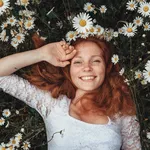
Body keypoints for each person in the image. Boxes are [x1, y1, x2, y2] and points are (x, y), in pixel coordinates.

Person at [0, 34, 141, 150]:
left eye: (96, 61)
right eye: (78, 62)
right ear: (69, 69)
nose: (87, 68)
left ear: (106, 67)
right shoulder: (52, 105)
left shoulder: (121, 112)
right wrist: (42, 53)